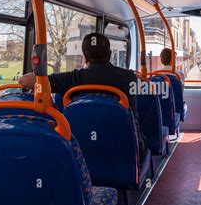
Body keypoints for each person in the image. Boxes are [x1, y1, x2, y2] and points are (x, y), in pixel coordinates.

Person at [18, 33, 146, 156]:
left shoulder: (74, 79)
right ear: (110, 54)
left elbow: (26, 80)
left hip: (81, 149)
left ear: (85, 57)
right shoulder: (129, 78)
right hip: (126, 148)